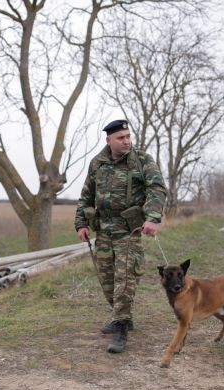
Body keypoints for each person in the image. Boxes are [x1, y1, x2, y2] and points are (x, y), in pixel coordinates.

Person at [75, 119, 167, 353]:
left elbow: (157, 189)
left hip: (129, 230)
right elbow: (86, 196)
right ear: (109, 141)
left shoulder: (142, 160)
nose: (126, 141)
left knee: (124, 280)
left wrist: (152, 217)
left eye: (128, 136)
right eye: (121, 138)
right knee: (107, 282)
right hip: (104, 230)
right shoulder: (97, 163)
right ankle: (122, 317)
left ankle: (120, 328)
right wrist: (81, 224)